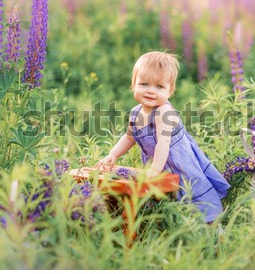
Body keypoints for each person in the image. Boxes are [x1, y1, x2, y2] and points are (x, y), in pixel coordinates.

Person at [96, 51, 230, 223]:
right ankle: (166, 227)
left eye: (159, 87)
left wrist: (154, 170)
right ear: (134, 84)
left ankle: (212, 228)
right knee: (166, 204)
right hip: (160, 165)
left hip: (179, 164)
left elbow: (163, 143)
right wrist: (113, 154)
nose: (151, 91)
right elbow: (129, 137)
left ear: (170, 90)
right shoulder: (135, 113)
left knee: (193, 199)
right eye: (144, 84)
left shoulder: (163, 112)